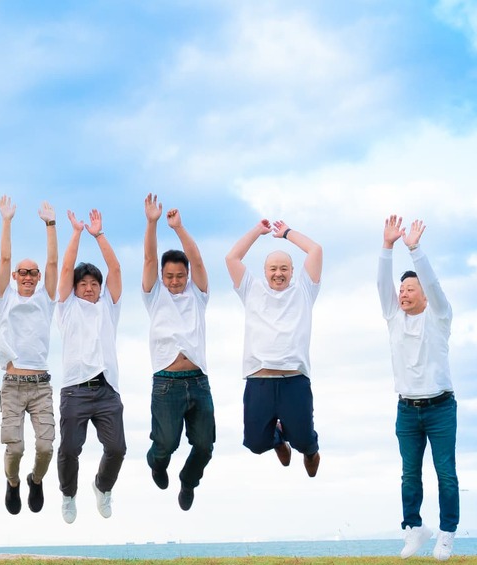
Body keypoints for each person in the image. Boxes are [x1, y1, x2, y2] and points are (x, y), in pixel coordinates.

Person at [378, 216, 459, 561]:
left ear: (424, 295)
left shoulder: (439, 316)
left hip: (440, 407)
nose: (404, 293)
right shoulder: (394, 318)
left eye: (411, 289)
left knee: (445, 472)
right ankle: (413, 529)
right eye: (402, 290)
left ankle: (447, 534)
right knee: (409, 473)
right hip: (406, 410)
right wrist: (387, 246)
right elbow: (382, 284)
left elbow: (434, 285)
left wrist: (413, 249)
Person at [225, 218, 323, 476]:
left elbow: (315, 250)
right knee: (256, 444)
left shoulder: (303, 291)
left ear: (292, 271)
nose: (278, 273)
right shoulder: (251, 290)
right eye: (272, 269)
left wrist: (287, 233)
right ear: (264, 271)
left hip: (294, 380)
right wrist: (258, 230)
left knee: (302, 440)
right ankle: (278, 439)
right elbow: (232, 258)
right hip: (260, 381)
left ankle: (310, 449)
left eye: (283, 269)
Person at [141, 195, 215, 511]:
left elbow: (197, 261)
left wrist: (179, 228)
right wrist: (153, 222)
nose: (174, 281)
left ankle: (188, 481)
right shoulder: (154, 296)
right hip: (167, 383)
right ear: (162, 277)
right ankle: (157, 463)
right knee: (166, 444)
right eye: (169, 276)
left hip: (198, 380)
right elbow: (147, 259)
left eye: (179, 276)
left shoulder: (198, 295)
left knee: (204, 444)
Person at [55, 209, 123, 523]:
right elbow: (66, 266)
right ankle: (68, 494)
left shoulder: (108, 307)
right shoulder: (67, 307)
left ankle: (102, 486)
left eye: (94, 283)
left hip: (106, 388)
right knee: (69, 449)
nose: (89, 287)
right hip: (75, 389)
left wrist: (99, 235)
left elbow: (115, 268)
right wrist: (77, 233)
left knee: (117, 448)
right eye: (83, 283)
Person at [0, 195, 59, 515]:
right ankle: (13, 483)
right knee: (15, 448)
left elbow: (52, 264)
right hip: (12, 385)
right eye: (23, 272)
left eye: (32, 273)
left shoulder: (46, 299)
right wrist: (7, 221)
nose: (28, 276)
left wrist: (50, 225)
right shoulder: (5, 298)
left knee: (46, 447)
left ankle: (36, 480)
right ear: (15, 277)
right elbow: (5, 259)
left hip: (41, 385)